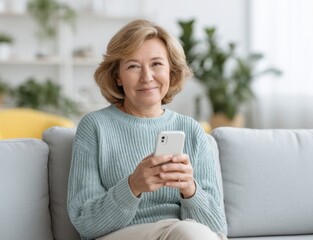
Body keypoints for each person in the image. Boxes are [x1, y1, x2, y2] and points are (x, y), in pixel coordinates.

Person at [67, 19, 228, 240]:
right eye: (133, 66)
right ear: (118, 77)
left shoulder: (191, 129)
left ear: (171, 72)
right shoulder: (94, 127)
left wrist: (190, 190)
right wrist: (132, 186)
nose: (147, 77)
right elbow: (85, 222)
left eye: (156, 64)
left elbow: (217, 229)